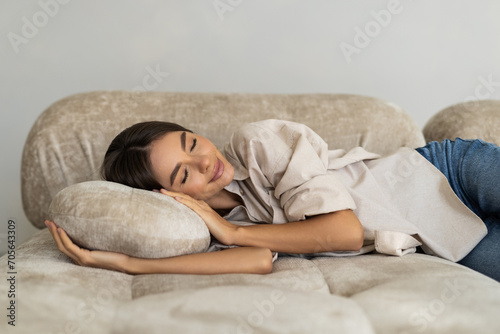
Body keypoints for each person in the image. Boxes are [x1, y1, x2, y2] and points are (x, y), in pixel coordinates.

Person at [46, 119, 500, 281]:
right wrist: (128, 265)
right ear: (167, 196)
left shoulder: (257, 143)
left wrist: (232, 230)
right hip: (444, 237)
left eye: (190, 142)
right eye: (184, 173)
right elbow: (259, 261)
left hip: (445, 173)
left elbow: (341, 232)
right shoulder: (201, 228)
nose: (205, 161)